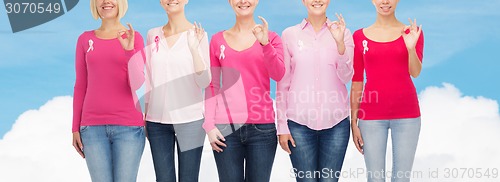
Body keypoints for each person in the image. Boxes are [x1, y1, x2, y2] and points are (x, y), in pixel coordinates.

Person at [203, 0, 286, 181]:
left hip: (262, 130)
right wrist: (209, 124)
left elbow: (278, 75)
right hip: (226, 130)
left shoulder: (271, 38)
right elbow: (212, 85)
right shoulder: (217, 40)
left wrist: (265, 45)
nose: (243, 1)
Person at [277, 0, 354, 181]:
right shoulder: (289, 35)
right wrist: (282, 126)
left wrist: (340, 44)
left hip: (336, 124)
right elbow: (283, 83)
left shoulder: (344, 33)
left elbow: (346, 77)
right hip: (298, 125)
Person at [71, 0, 146, 181]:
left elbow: (138, 83)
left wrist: (129, 52)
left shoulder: (134, 37)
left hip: (129, 127)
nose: (106, 1)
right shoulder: (84, 39)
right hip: (92, 128)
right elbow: (81, 84)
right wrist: (75, 127)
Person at [350, 0, 424, 181]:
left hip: (407, 115)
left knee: (402, 178)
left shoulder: (412, 33)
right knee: (375, 178)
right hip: (371, 117)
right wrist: (354, 121)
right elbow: (357, 80)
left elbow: (415, 72)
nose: (385, 2)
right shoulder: (359, 36)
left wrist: (410, 47)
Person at [143, 0, 210, 181]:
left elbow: (204, 81)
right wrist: (145, 114)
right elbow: (149, 78)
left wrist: (195, 50)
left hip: (191, 122)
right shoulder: (152, 35)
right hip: (156, 122)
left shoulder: (199, 35)